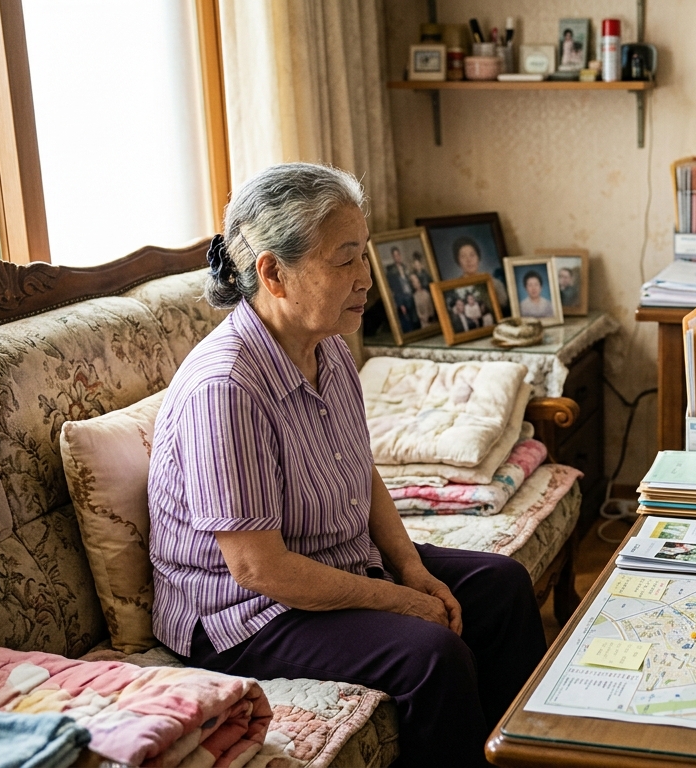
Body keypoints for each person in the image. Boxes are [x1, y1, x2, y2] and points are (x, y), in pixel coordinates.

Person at [148, 163, 546, 768]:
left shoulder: (328, 343)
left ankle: (515, 760)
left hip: (330, 560)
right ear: (274, 273)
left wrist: (409, 567)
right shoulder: (226, 386)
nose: (366, 277)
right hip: (244, 614)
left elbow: (361, 470)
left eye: (363, 256)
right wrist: (402, 602)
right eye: (345, 260)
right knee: (431, 653)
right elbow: (258, 567)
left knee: (502, 587)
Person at [451, 236, 509, 315]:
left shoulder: (495, 283)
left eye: (472, 255)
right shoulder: (454, 288)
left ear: (478, 257)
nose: (469, 260)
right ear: (458, 261)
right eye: (463, 256)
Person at [386, 246, 419, 332]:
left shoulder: (405, 268)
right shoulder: (392, 272)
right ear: (393, 257)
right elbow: (395, 290)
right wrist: (400, 304)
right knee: (407, 321)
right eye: (395, 255)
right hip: (402, 299)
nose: (397, 257)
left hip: (411, 296)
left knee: (415, 318)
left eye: (398, 255)